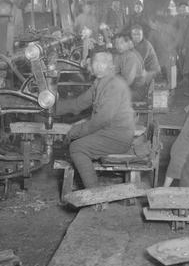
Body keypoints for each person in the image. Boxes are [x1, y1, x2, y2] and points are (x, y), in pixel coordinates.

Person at [56, 51, 135, 188]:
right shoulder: (99, 83)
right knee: (76, 142)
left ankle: (94, 193)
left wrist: (76, 131)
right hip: (109, 133)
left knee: (77, 148)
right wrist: (50, 107)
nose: (97, 66)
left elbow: (101, 120)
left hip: (118, 137)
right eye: (95, 62)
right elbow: (78, 104)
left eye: (102, 62)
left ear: (109, 66)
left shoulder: (114, 85)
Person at [113, 33, 147, 101]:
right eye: (116, 43)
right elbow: (114, 73)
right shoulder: (118, 56)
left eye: (121, 43)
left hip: (136, 91)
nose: (118, 46)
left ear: (128, 43)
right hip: (125, 87)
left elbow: (128, 81)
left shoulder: (131, 56)